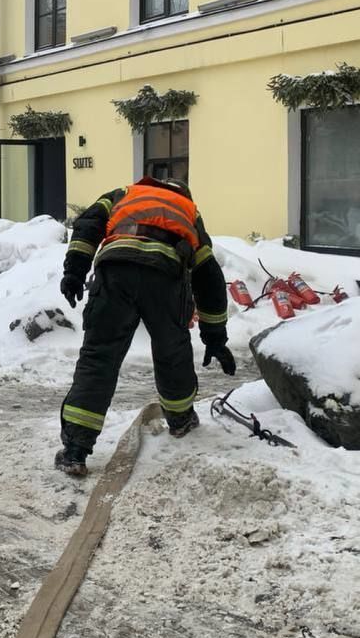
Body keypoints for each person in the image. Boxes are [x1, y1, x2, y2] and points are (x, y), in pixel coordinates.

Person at [54, 176, 234, 476]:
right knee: (172, 351)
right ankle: (181, 421)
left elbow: (87, 227)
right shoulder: (189, 210)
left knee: (99, 357)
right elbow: (208, 273)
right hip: (165, 276)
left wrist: (74, 271)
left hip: (116, 270)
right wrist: (215, 336)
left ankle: (75, 450)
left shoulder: (123, 194)